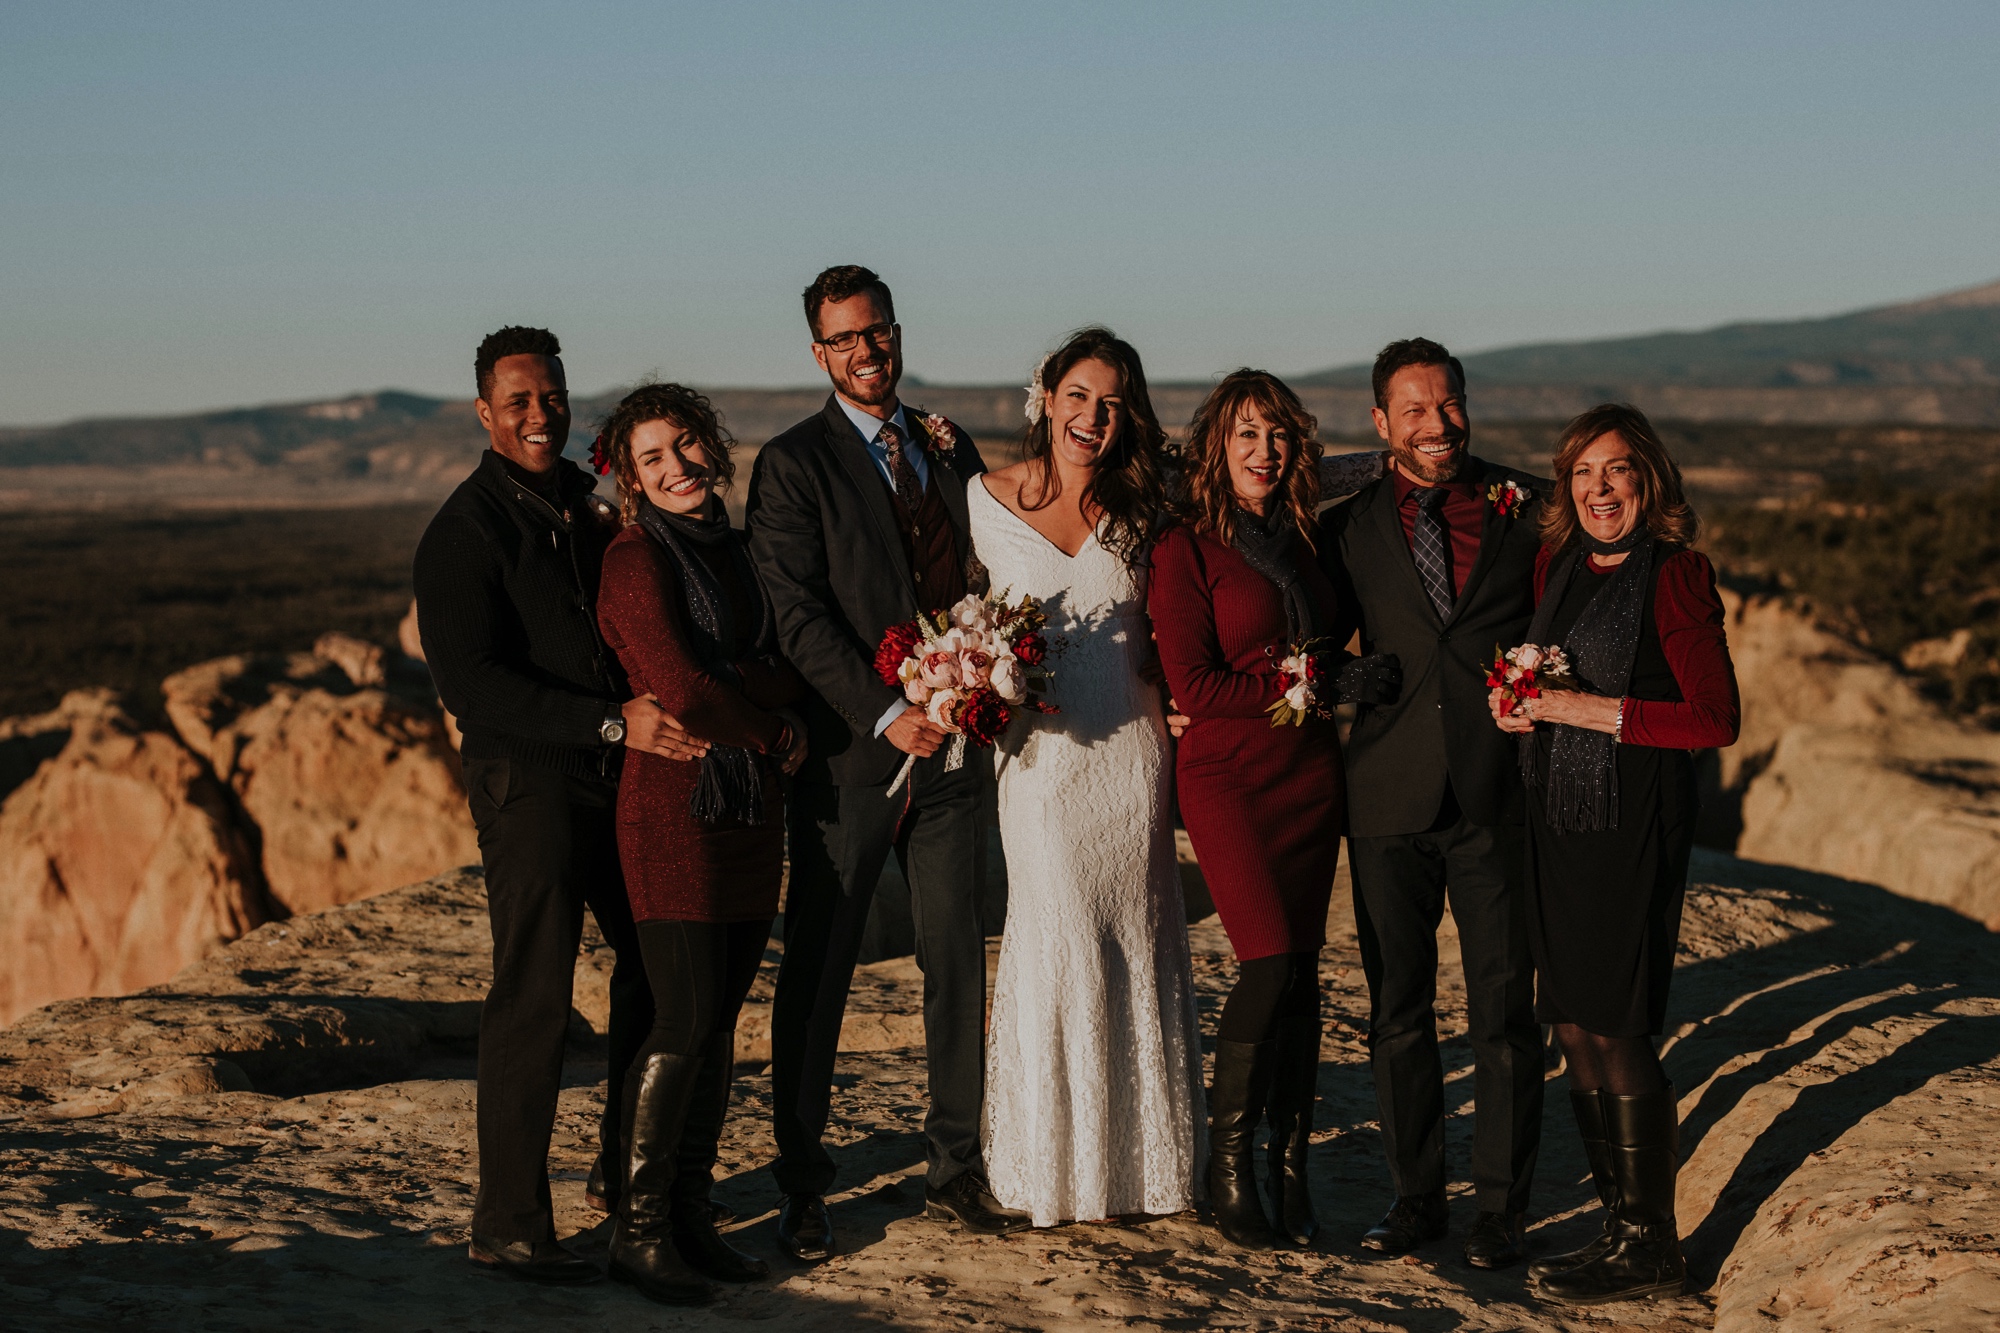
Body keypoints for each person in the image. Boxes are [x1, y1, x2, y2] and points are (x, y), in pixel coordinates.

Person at [745, 266, 1028, 1260]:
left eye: (879, 332)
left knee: (956, 957)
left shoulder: (945, 449)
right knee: (820, 972)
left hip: (955, 754)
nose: (868, 351)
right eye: (846, 339)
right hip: (849, 763)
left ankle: (956, 1168)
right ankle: (803, 1184)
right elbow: (794, 613)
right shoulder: (790, 465)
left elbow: (983, 572)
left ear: (896, 335)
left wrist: (978, 680)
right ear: (818, 354)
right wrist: (882, 712)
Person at [413, 327, 696, 1282]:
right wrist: (614, 722)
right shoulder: (463, 532)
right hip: (526, 781)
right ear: (485, 412)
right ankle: (508, 1225)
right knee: (534, 993)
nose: (541, 415)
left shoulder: (582, 502)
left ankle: (624, 1179)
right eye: (520, 401)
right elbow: (473, 687)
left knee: (658, 966)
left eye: (554, 397)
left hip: (608, 771)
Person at [1489, 404, 1738, 1305]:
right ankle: (1618, 1226)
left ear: (1650, 481)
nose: (1599, 488)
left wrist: (1578, 711)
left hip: (1632, 824)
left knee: (1619, 1022)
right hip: (1557, 816)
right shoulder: (1561, 566)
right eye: (1583, 472)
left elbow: (1715, 719)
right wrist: (1517, 704)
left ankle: (1652, 1244)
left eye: (1617, 470)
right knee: (1573, 1022)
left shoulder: (1676, 576)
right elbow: (1549, 679)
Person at [1150, 370, 1397, 1250]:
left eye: (1278, 435)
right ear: (1215, 448)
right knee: (1263, 965)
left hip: (1309, 775)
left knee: (1301, 977)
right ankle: (1229, 1169)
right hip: (1228, 780)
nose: (1264, 451)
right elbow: (1197, 685)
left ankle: (1291, 1171)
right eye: (1246, 435)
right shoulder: (1185, 548)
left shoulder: (1303, 539)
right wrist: (1314, 681)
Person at [1319, 338, 1547, 1269]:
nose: (1438, 424)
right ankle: (1416, 1199)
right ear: (1381, 424)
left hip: (1497, 794)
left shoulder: (1527, 508)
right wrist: (1343, 675)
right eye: (1414, 410)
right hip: (1385, 797)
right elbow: (1312, 644)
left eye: (1448, 404)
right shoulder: (1347, 525)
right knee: (1397, 1013)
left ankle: (1500, 1210)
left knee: (1503, 1013)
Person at [972, 327, 1206, 1228]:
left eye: (1112, 401)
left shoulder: (1151, 509)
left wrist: (1190, 692)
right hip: (1038, 763)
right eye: (1078, 394)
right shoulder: (982, 499)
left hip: (1133, 758)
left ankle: (1144, 1168)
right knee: (1058, 932)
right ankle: (1052, 1169)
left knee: (1135, 938)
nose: (1092, 415)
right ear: (1047, 397)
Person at [592, 384, 810, 1305]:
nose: (677, 466)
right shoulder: (635, 562)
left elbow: (772, 659)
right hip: (675, 815)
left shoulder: (739, 552)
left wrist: (752, 702)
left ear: (712, 447)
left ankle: (689, 1215)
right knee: (681, 1020)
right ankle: (636, 1231)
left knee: (718, 1028)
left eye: (685, 445)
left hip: (749, 814)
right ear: (632, 481)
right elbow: (680, 681)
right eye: (653, 458)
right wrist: (770, 729)